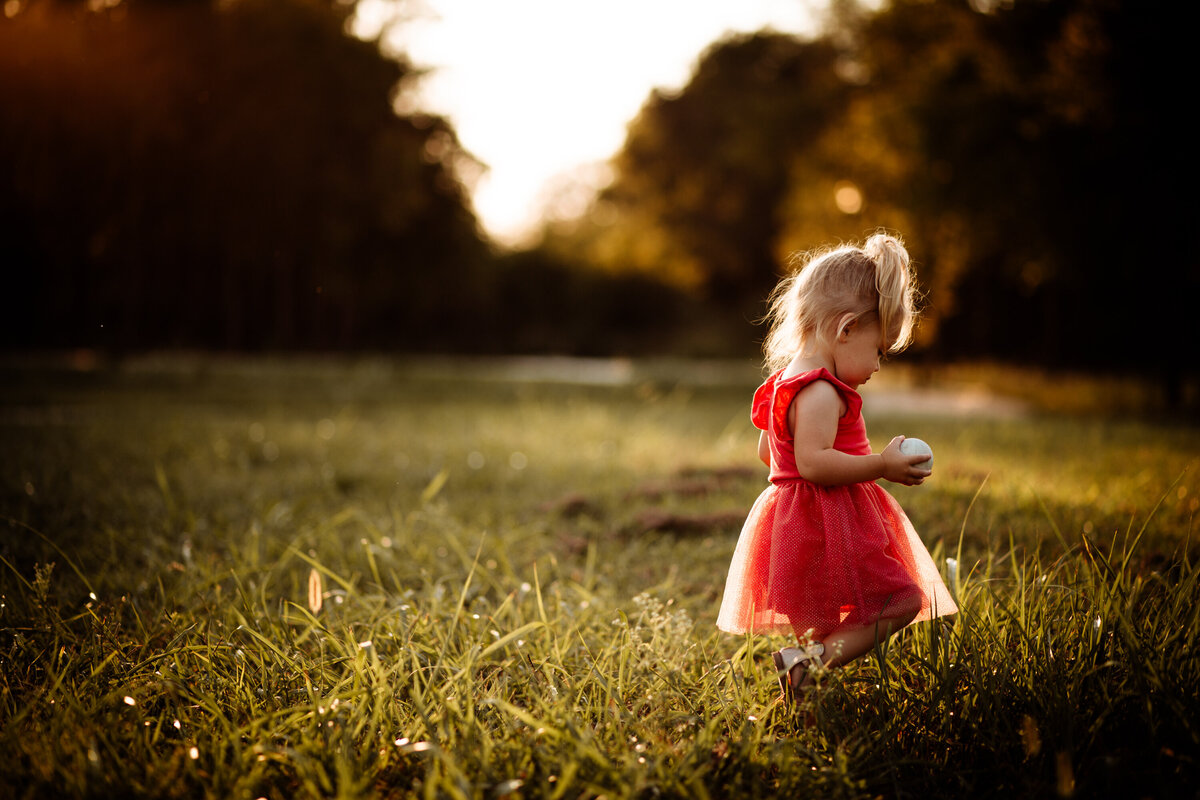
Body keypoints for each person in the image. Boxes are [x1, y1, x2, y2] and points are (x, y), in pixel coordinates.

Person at [716, 232, 957, 705]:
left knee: (826, 618)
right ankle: (811, 663)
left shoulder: (784, 381)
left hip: (792, 520)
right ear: (845, 329)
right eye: (879, 349)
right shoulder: (822, 389)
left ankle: (804, 690)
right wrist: (881, 465)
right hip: (826, 518)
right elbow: (812, 462)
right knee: (902, 599)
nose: (878, 365)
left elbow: (771, 454)